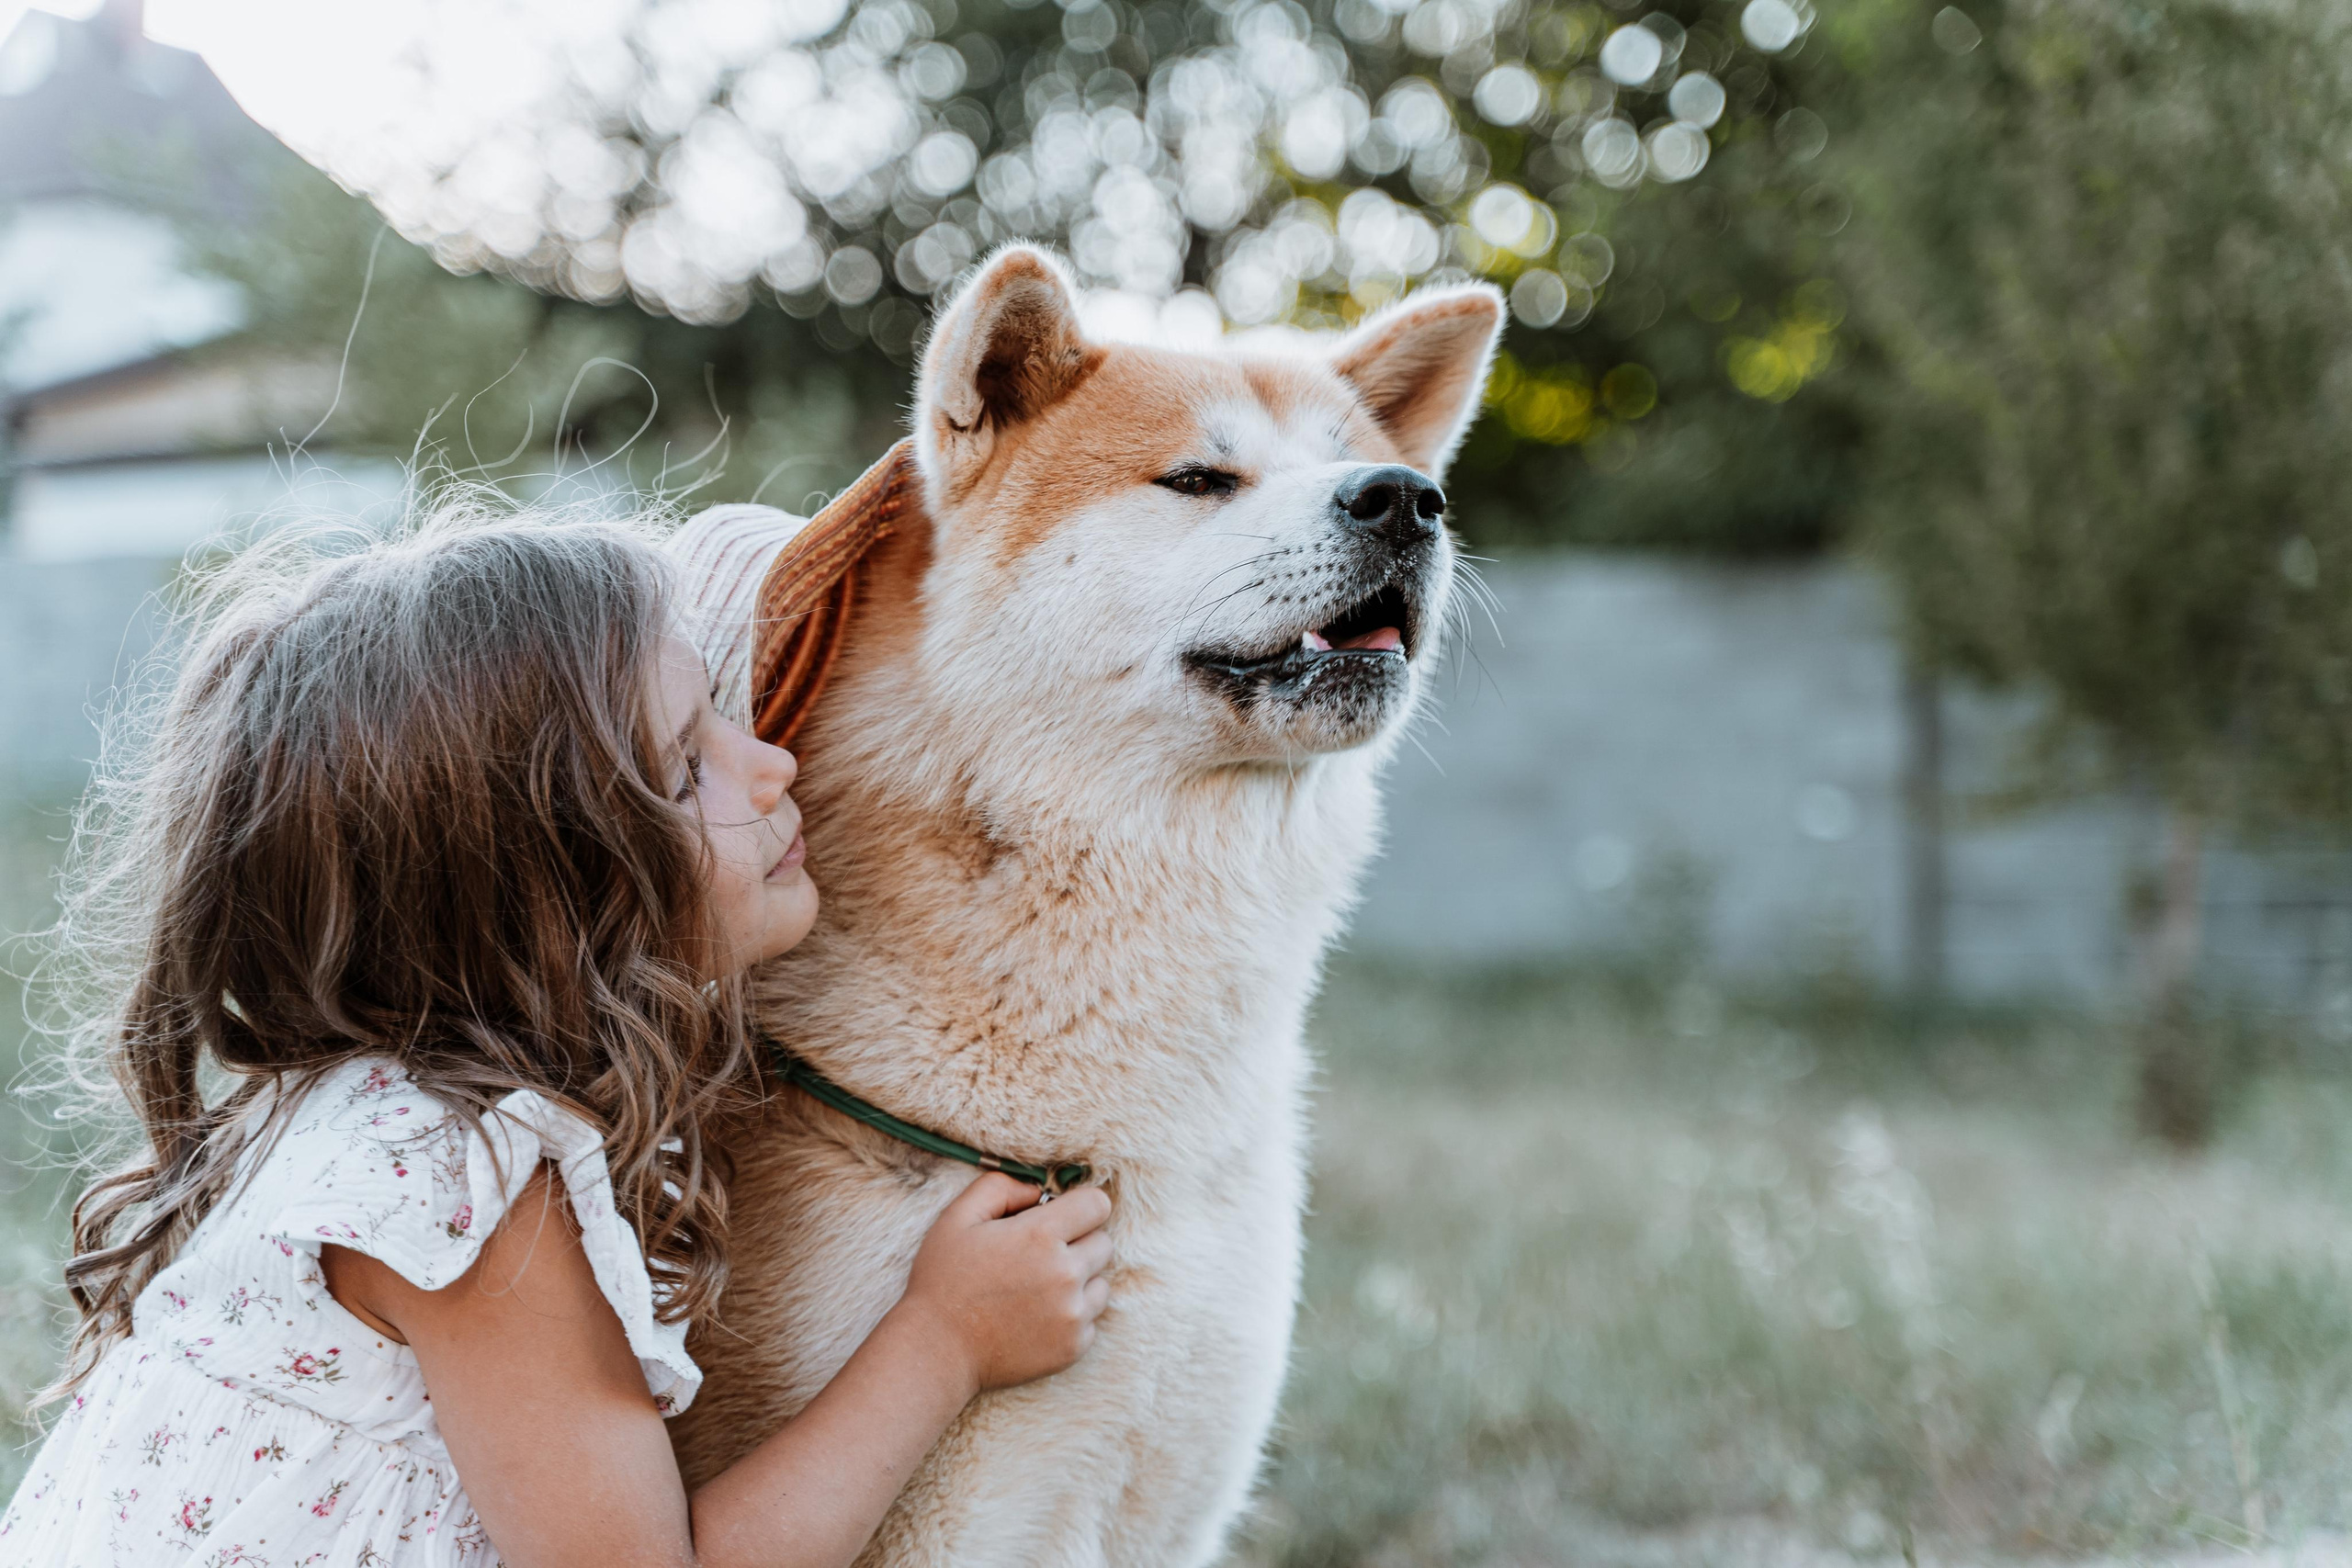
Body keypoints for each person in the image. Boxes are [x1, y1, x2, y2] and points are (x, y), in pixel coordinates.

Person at [0, 510, 1114, 1567]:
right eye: (686, 768)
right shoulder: (460, 1189)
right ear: (541, 902)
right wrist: (945, 1338)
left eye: (721, 711)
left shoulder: (365, 1110)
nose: (769, 766)